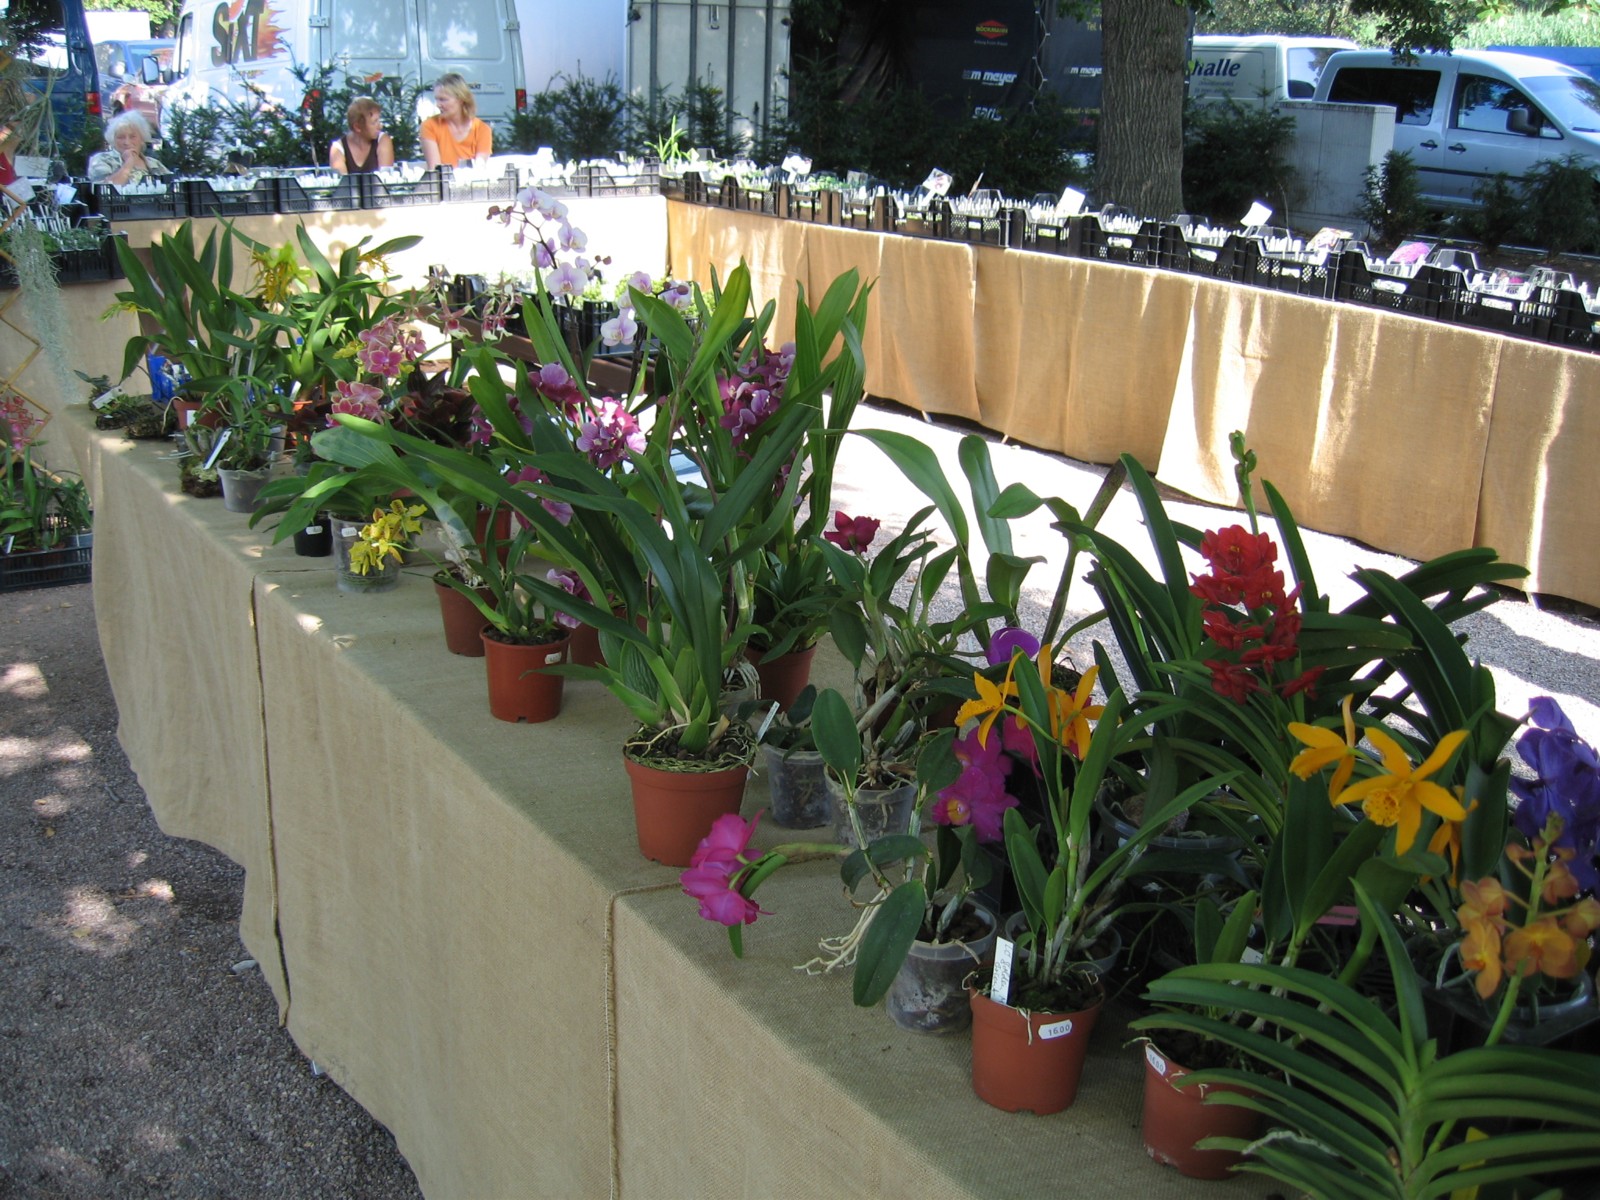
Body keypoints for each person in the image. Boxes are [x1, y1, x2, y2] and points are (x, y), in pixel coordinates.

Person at [420, 73, 492, 169]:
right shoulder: (429, 126)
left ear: (460, 100)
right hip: (443, 178)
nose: (438, 105)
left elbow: (479, 168)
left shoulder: (482, 129)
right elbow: (436, 170)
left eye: (443, 99)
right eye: (436, 99)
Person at [87, 112, 169, 186]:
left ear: (142, 139)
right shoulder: (102, 160)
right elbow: (104, 189)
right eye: (121, 137)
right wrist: (128, 164)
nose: (127, 142)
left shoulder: (154, 164)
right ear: (113, 140)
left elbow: (172, 186)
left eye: (132, 137)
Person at [329, 96, 394, 175]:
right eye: (374, 122)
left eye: (379, 121)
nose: (380, 126)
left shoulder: (382, 140)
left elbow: (385, 178)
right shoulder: (338, 148)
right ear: (357, 127)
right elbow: (342, 181)